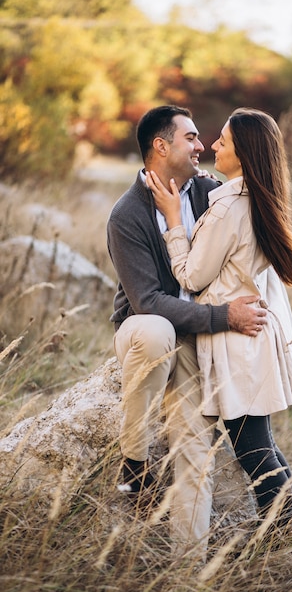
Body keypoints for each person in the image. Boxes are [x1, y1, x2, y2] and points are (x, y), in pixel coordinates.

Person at [106, 105, 267, 558]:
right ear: (161, 146)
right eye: (192, 137)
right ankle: (134, 460)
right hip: (142, 331)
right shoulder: (127, 214)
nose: (202, 146)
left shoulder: (212, 195)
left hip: (196, 339)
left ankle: (187, 567)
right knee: (157, 329)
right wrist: (224, 317)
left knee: (195, 448)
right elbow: (148, 301)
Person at [146, 107, 292, 528]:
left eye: (223, 140)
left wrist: (172, 221)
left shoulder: (229, 209)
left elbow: (191, 274)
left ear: (243, 154)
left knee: (252, 445)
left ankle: (278, 532)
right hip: (250, 335)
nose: (214, 146)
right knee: (258, 440)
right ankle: (282, 526)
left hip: (237, 338)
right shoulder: (258, 198)